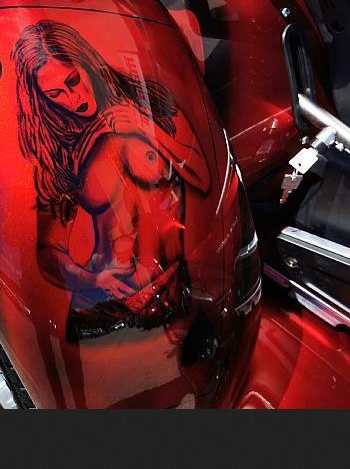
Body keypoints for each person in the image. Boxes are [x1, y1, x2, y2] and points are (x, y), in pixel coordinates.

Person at [13, 20, 211, 342]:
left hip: (175, 288)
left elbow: (202, 176)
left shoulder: (147, 99)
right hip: (105, 310)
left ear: (86, 62)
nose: (73, 98)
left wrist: (144, 125)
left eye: (73, 80)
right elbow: (49, 250)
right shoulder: (59, 155)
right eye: (55, 94)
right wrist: (91, 280)